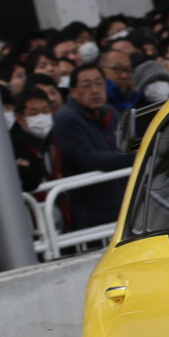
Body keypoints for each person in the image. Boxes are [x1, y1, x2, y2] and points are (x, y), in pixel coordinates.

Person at [47, 64, 132, 231]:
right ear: (73, 91)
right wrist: (134, 156)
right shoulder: (66, 119)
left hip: (122, 205)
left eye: (99, 83)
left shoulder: (111, 113)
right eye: (86, 85)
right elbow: (87, 159)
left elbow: (127, 145)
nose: (95, 91)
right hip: (91, 213)